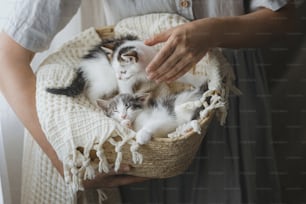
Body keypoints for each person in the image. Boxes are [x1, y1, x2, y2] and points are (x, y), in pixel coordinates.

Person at [0, 0, 296, 203]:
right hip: (143, 139)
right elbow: (8, 57)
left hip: (231, 113)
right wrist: (65, 160)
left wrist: (214, 31)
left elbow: (283, 18)